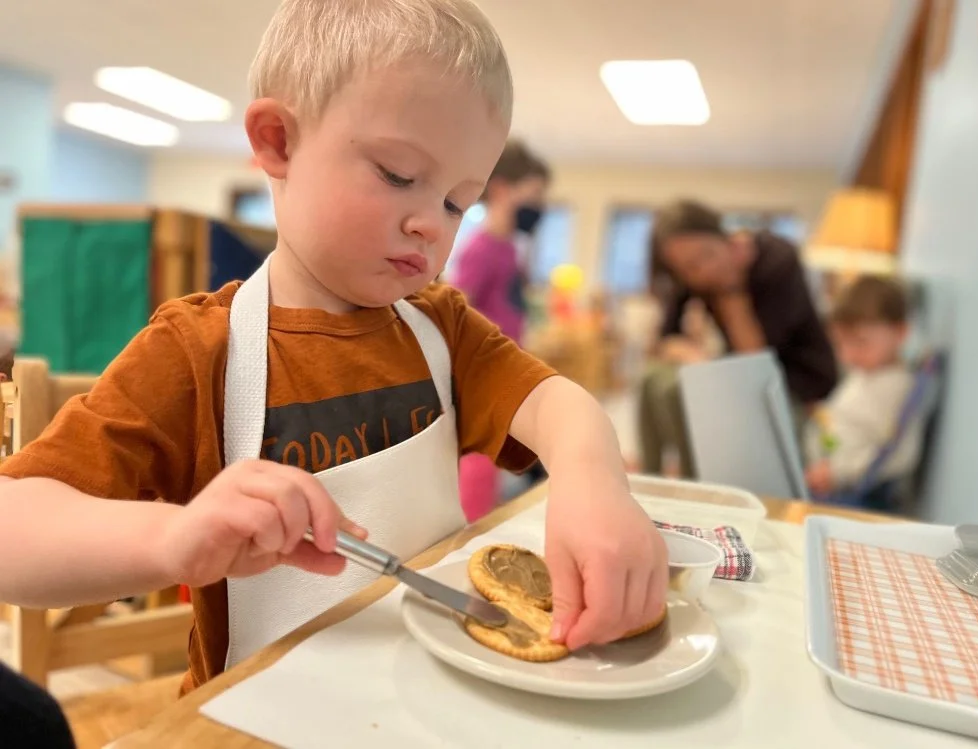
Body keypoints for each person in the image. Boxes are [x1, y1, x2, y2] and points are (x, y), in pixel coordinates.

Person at [0, 0, 666, 696]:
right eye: (400, 175)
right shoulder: (198, 354)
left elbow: (558, 403)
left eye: (456, 202)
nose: (428, 224)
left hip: (434, 701)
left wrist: (593, 481)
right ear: (278, 142)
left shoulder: (442, 328)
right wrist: (172, 536)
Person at [639, 199, 838, 477]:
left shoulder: (777, 259)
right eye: (686, 269)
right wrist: (697, 359)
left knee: (679, 390)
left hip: (794, 385)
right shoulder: (692, 272)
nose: (700, 272)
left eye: (705, 256)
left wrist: (732, 289)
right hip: (738, 373)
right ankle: (651, 478)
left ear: (727, 238)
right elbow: (666, 339)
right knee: (653, 378)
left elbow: (757, 361)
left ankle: (699, 479)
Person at [451, 140, 550, 521]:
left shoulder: (510, 247)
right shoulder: (482, 247)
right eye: (535, 194)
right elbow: (459, 305)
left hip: (505, 363)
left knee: (496, 454)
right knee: (480, 456)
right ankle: (468, 529)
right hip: (482, 368)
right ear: (503, 190)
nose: (539, 206)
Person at [804, 276, 923, 509]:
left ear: (900, 333)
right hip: (822, 462)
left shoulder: (896, 387)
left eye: (860, 342)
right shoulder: (867, 371)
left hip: (845, 491)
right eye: (840, 344)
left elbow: (899, 456)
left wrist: (838, 472)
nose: (848, 356)